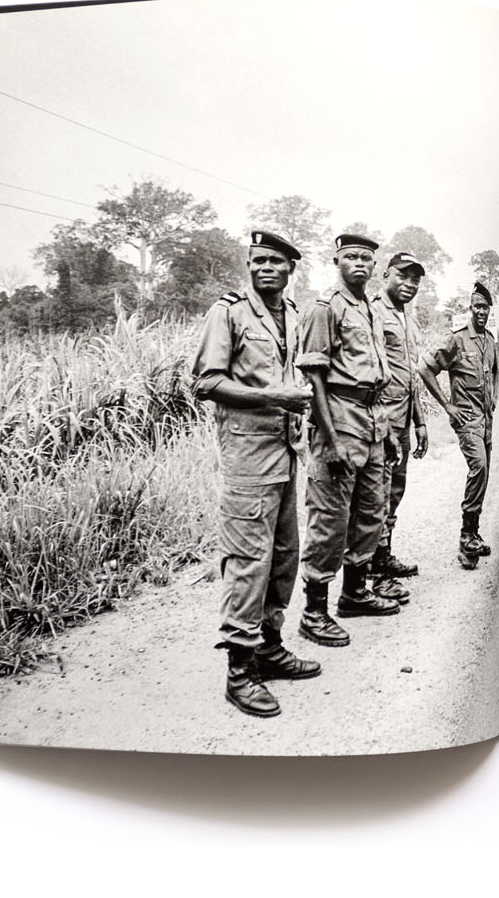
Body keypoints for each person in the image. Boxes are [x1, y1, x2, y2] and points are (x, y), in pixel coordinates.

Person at [191, 230, 320, 719]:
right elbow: (207, 382)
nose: (264, 268)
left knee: (284, 556)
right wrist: (275, 397)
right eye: (257, 260)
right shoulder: (227, 312)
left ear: (291, 268)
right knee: (248, 562)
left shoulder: (292, 314)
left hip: (285, 451)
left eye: (274, 261)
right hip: (247, 456)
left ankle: (269, 647)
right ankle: (240, 672)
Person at [295, 231, 399, 648]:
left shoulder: (369, 308)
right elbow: (314, 377)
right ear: (336, 261)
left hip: (372, 419)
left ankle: (354, 593)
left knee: (372, 509)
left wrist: (386, 431)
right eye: (351, 256)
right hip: (338, 416)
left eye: (366, 258)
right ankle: (313, 612)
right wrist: (332, 438)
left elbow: (375, 374)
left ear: (375, 266)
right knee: (330, 518)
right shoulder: (325, 307)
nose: (359, 263)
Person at [418, 282, 498, 562]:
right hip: (466, 419)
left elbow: (494, 370)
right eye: (477, 307)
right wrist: (447, 405)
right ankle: (466, 537)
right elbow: (424, 367)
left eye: (486, 308)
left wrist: (494, 396)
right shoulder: (457, 339)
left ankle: (473, 533)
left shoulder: (489, 340)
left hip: (486, 421)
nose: (482, 312)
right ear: (470, 308)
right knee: (479, 467)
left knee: (484, 475)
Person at [368, 251, 429, 601]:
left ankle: (383, 557)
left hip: (403, 420)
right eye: (402, 276)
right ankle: (376, 574)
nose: (409, 284)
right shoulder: (374, 312)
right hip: (380, 422)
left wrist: (420, 421)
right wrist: (384, 422)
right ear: (386, 276)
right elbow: (371, 374)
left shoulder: (407, 319)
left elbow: (411, 377)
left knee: (394, 493)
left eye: (415, 279)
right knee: (377, 495)